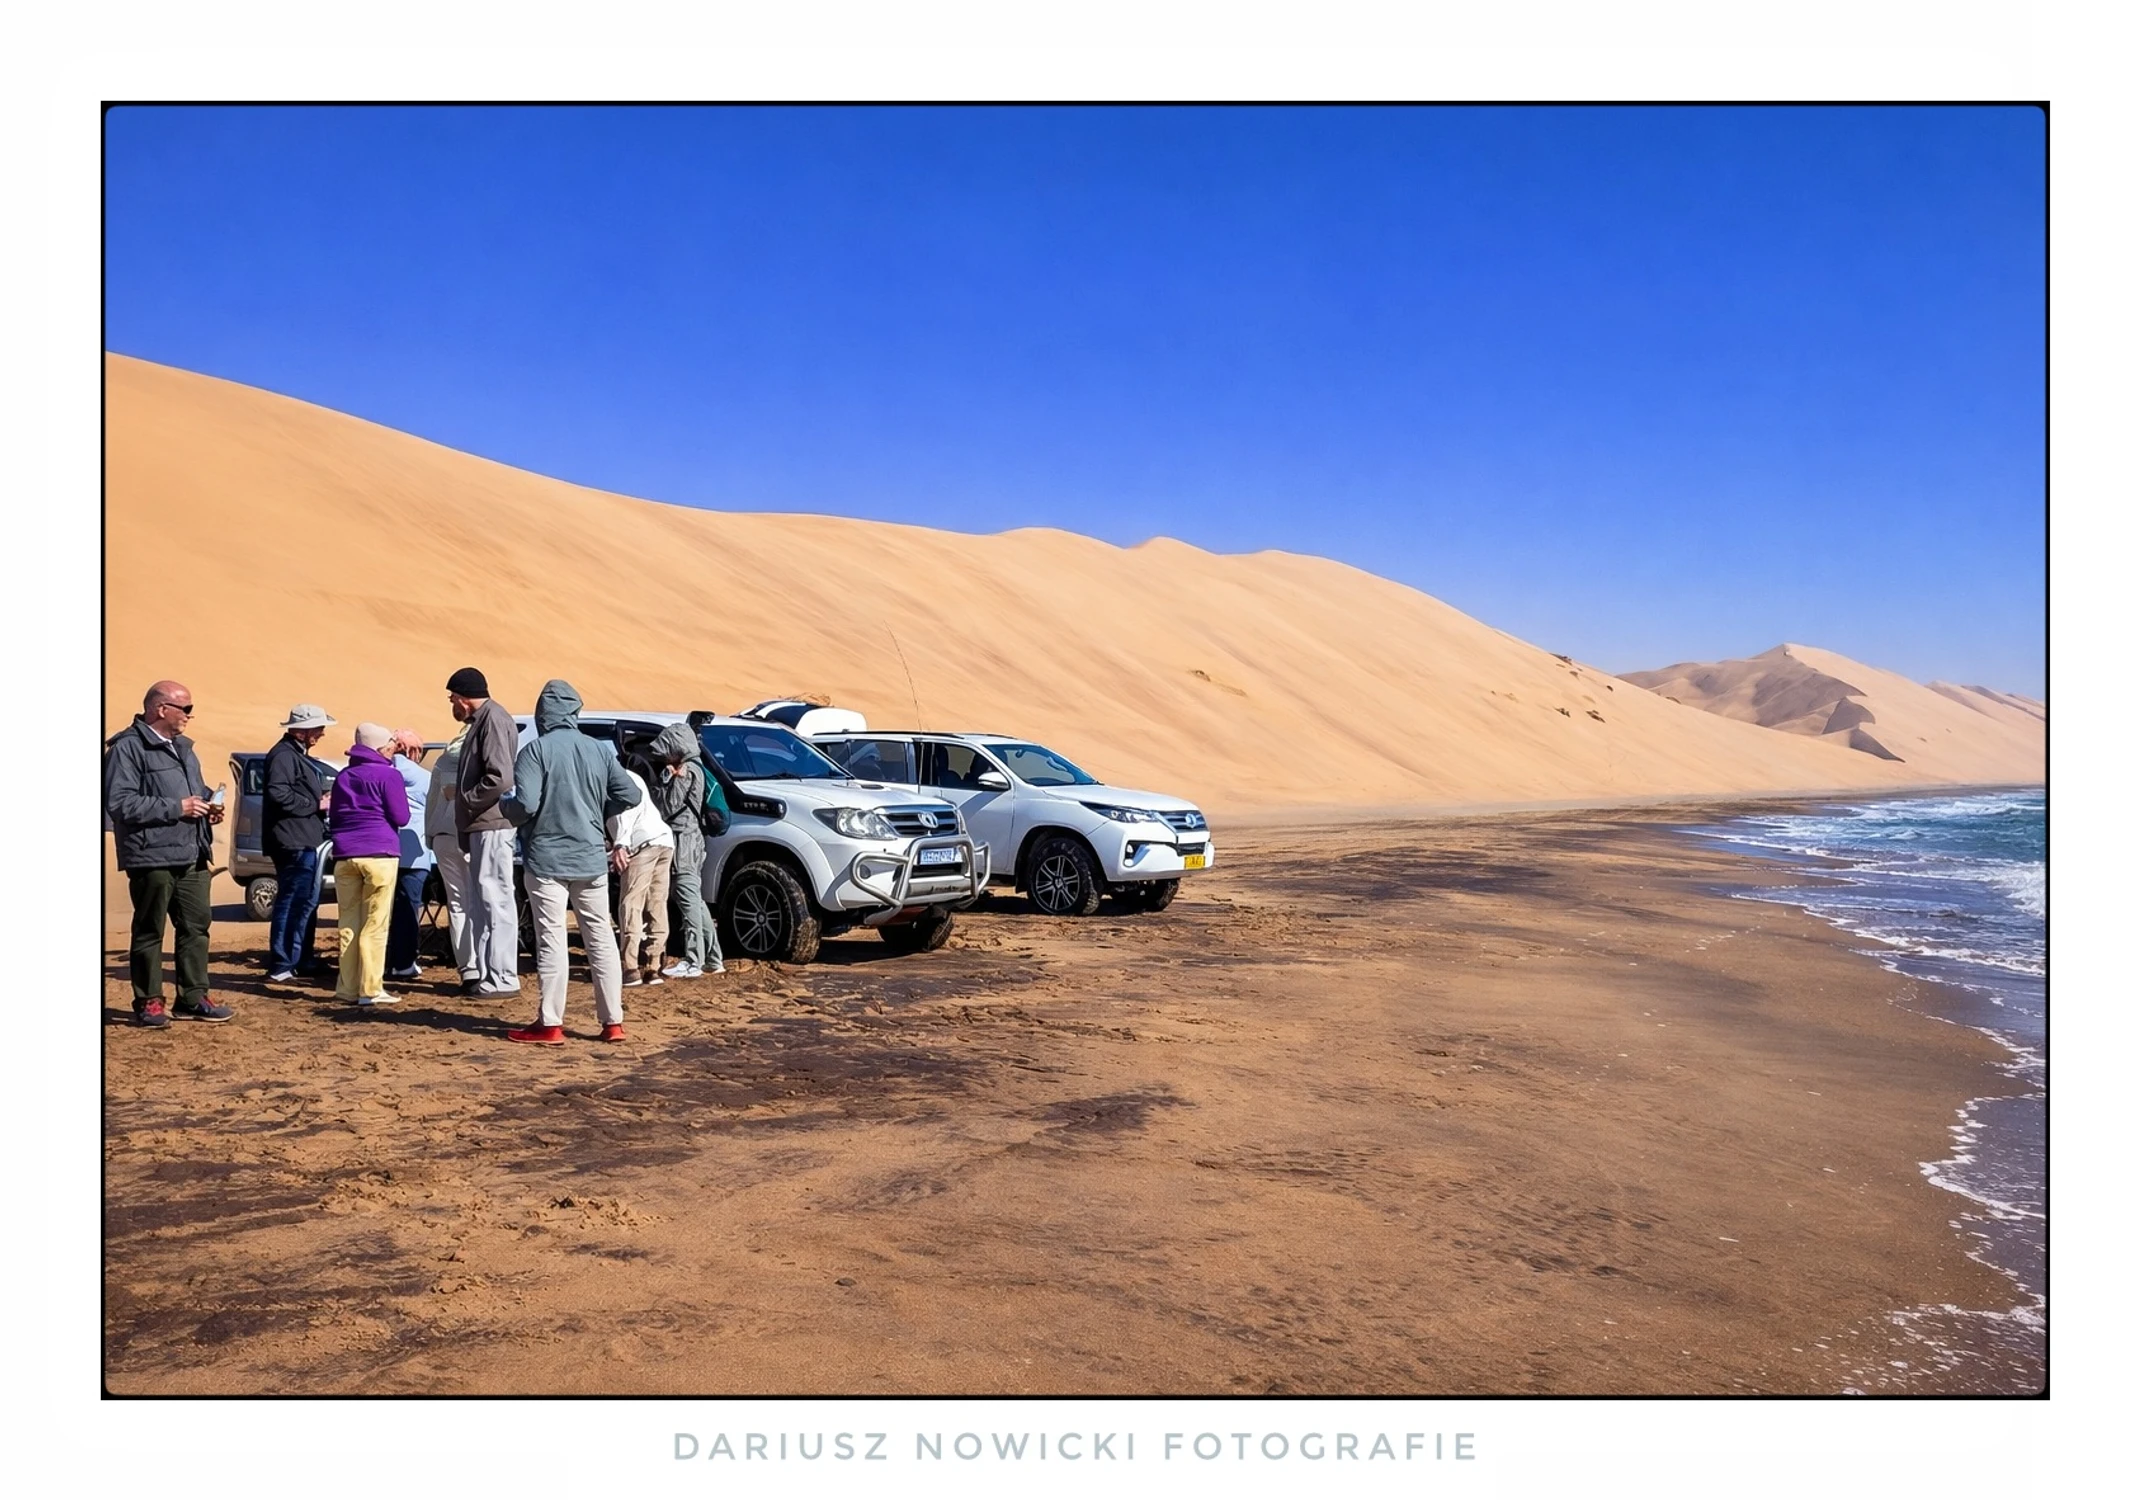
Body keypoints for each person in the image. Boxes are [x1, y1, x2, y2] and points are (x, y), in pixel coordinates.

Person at [500, 680, 642, 1044]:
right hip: (591, 859)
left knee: (552, 940)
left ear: (543, 713)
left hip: (546, 860)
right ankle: (613, 1023)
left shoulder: (535, 751)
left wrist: (504, 806)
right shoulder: (597, 750)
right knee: (601, 940)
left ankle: (550, 1022)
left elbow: (526, 805)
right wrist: (598, 812)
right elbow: (631, 793)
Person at [103, 681, 234, 1027]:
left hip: (192, 853)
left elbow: (194, 792)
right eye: (185, 708)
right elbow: (119, 802)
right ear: (161, 709)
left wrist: (208, 805)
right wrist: (178, 807)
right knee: (149, 930)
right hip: (151, 856)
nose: (190, 716)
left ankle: (193, 997)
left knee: (196, 927)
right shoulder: (126, 749)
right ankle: (149, 1002)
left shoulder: (184, 749)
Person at [447, 666, 521, 998]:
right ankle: (491, 976)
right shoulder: (483, 721)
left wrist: (468, 800)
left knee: (495, 901)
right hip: (481, 826)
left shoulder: (493, 720)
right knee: (483, 902)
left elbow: (500, 777)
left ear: (463, 697)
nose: (452, 706)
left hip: (492, 824)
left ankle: (503, 978)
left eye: (452, 699)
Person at [328, 722, 412, 1006]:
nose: (392, 749)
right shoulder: (389, 775)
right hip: (379, 854)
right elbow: (401, 817)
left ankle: (347, 989)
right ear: (379, 747)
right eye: (390, 745)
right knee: (375, 924)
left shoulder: (344, 775)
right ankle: (370, 989)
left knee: (349, 923)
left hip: (344, 856)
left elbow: (335, 817)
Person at [262, 703, 335, 984]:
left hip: (303, 839)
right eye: (317, 728)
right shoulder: (283, 756)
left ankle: (301, 959)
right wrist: (315, 803)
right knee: (292, 901)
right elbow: (278, 793)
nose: (321, 734)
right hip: (292, 841)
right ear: (301, 731)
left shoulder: (295, 755)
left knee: (305, 901)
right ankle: (282, 963)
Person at [650, 720, 723, 978]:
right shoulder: (696, 767)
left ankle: (693, 960)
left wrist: (663, 782)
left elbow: (668, 806)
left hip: (684, 840)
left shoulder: (688, 771)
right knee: (694, 898)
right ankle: (713, 958)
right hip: (691, 839)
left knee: (686, 895)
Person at [607, 760, 674, 987]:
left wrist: (620, 845)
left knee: (631, 903)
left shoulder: (611, 781)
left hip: (641, 843)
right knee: (657, 903)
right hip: (665, 840)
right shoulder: (633, 776)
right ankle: (654, 966)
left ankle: (630, 968)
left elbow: (624, 814)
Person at [424, 724, 480, 991]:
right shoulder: (476, 758)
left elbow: (432, 801)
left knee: (459, 903)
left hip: (444, 835)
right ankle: (480, 965)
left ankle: (468, 969)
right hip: (471, 834)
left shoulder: (444, 759)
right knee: (478, 902)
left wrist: (430, 835)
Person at [384, 730, 434, 983]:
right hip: (414, 854)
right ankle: (403, 962)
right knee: (407, 909)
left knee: (382, 910)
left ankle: (382, 961)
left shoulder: (382, 771)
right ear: (413, 751)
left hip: (384, 850)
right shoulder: (422, 776)